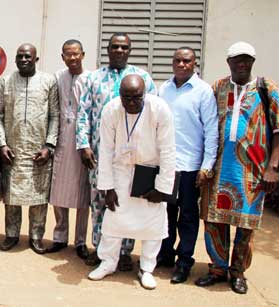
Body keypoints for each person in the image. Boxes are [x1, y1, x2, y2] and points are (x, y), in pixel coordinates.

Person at [195, 42, 279, 294]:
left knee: (246, 225)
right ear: (228, 62)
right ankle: (217, 269)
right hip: (217, 170)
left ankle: (238, 272)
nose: (242, 64)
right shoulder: (217, 87)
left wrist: (272, 168)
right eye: (237, 59)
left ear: (253, 62)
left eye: (247, 60)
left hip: (252, 171)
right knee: (214, 221)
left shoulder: (267, 88)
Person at [87, 74, 175, 290]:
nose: (131, 102)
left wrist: (162, 188)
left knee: (153, 225)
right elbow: (105, 150)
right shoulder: (111, 109)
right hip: (121, 172)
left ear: (144, 94)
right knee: (113, 221)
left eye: (136, 97)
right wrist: (107, 187)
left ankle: (146, 268)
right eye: (126, 98)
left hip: (149, 172)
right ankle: (108, 262)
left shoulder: (159, 109)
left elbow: (168, 150)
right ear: (120, 95)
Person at [76, 32, 157, 269]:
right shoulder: (93, 78)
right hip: (99, 156)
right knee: (100, 203)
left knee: (127, 203)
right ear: (107, 50)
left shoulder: (142, 78)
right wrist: (83, 145)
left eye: (124, 47)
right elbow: (83, 114)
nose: (119, 51)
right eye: (115, 47)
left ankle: (123, 252)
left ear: (130, 50)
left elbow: (153, 116)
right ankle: (100, 250)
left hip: (132, 157)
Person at [157, 47, 218, 284]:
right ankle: (166, 254)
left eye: (187, 61)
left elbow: (212, 131)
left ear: (195, 64)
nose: (182, 65)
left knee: (188, 217)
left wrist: (207, 166)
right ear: (172, 63)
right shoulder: (164, 89)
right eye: (178, 61)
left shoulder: (203, 92)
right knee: (165, 214)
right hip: (167, 165)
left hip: (191, 166)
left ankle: (184, 262)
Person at [0, 43, 59, 254]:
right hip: (13, 149)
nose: (23, 60)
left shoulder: (49, 81)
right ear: (15, 59)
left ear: (36, 59)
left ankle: (36, 237)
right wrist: (2, 144)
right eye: (20, 56)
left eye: (27, 56)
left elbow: (54, 116)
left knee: (39, 198)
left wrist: (49, 146)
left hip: (38, 150)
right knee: (12, 196)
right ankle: (11, 234)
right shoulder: (6, 82)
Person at [46, 39, 91, 259]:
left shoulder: (91, 79)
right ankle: (59, 237)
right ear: (62, 57)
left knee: (83, 192)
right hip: (61, 138)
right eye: (67, 54)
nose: (72, 58)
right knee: (58, 190)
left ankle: (80, 241)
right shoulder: (57, 77)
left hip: (83, 142)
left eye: (76, 54)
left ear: (83, 55)